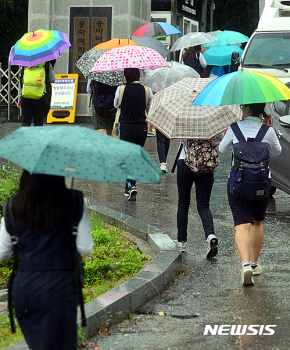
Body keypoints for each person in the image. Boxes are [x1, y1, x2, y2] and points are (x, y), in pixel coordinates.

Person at [0, 171, 94, 350]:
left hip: (25, 290)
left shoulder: (13, 206)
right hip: (61, 288)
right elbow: (85, 248)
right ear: (58, 176)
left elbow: (2, 252)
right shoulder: (74, 201)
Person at [219, 103, 282, 286]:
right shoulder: (267, 131)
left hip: (238, 184)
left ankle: (244, 264)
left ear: (247, 110)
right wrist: (270, 128)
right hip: (261, 184)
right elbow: (277, 152)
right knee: (257, 222)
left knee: (241, 225)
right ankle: (254, 264)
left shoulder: (234, 128)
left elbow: (222, 149)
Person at [114, 67, 153, 200]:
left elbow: (115, 104)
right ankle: (129, 186)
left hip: (126, 126)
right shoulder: (148, 90)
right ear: (138, 75)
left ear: (126, 75)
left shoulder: (121, 89)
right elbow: (149, 107)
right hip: (141, 127)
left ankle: (131, 185)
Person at [176, 138, 218, 258]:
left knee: (183, 204)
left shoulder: (183, 119)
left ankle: (181, 242)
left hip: (185, 162)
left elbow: (179, 137)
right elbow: (219, 138)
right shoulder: (209, 120)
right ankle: (210, 235)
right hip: (206, 162)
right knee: (204, 206)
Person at [18, 60, 55, 126]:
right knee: (38, 122)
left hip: (26, 95)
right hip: (41, 96)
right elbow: (52, 79)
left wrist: (19, 98)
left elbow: (21, 81)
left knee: (26, 122)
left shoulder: (25, 64)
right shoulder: (46, 64)